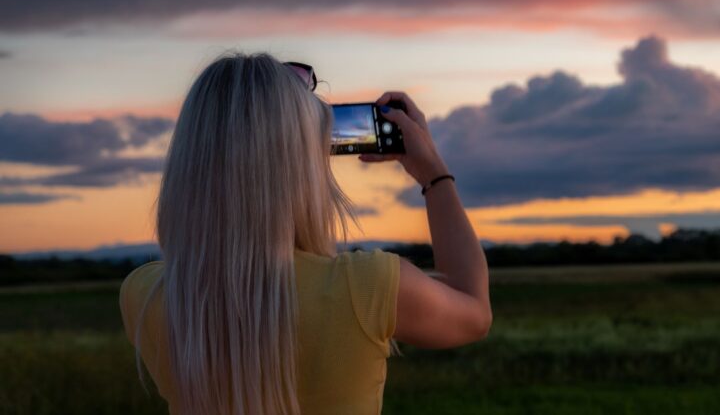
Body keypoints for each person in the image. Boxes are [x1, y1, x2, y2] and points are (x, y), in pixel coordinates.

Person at [118, 54, 491, 415]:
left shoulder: (145, 295)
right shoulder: (364, 288)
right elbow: (474, 312)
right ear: (300, 168)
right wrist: (434, 175)